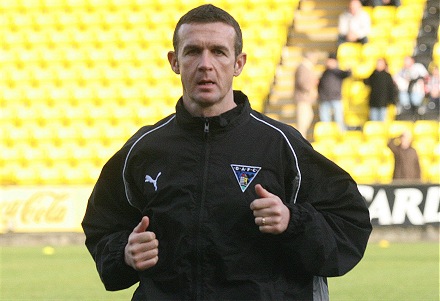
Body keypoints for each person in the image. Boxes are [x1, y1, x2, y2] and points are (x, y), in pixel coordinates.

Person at [82, 4, 372, 300]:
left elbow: (350, 222)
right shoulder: (144, 149)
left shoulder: (280, 144)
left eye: (219, 52)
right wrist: (125, 254)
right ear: (174, 62)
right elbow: (102, 226)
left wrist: (292, 220)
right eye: (193, 51)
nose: (206, 64)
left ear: (238, 63)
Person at [317, 53, 351, 131]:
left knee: (338, 120)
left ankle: (341, 134)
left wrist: (348, 68)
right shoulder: (325, 72)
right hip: (325, 99)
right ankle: (327, 134)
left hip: (335, 98)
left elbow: (347, 74)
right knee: (325, 121)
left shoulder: (337, 72)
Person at [293, 51, 319, 139]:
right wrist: (311, 88)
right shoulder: (303, 67)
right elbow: (302, 82)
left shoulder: (307, 67)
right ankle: (301, 139)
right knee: (302, 121)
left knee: (308, 117)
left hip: (306, 99)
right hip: (303, 98)